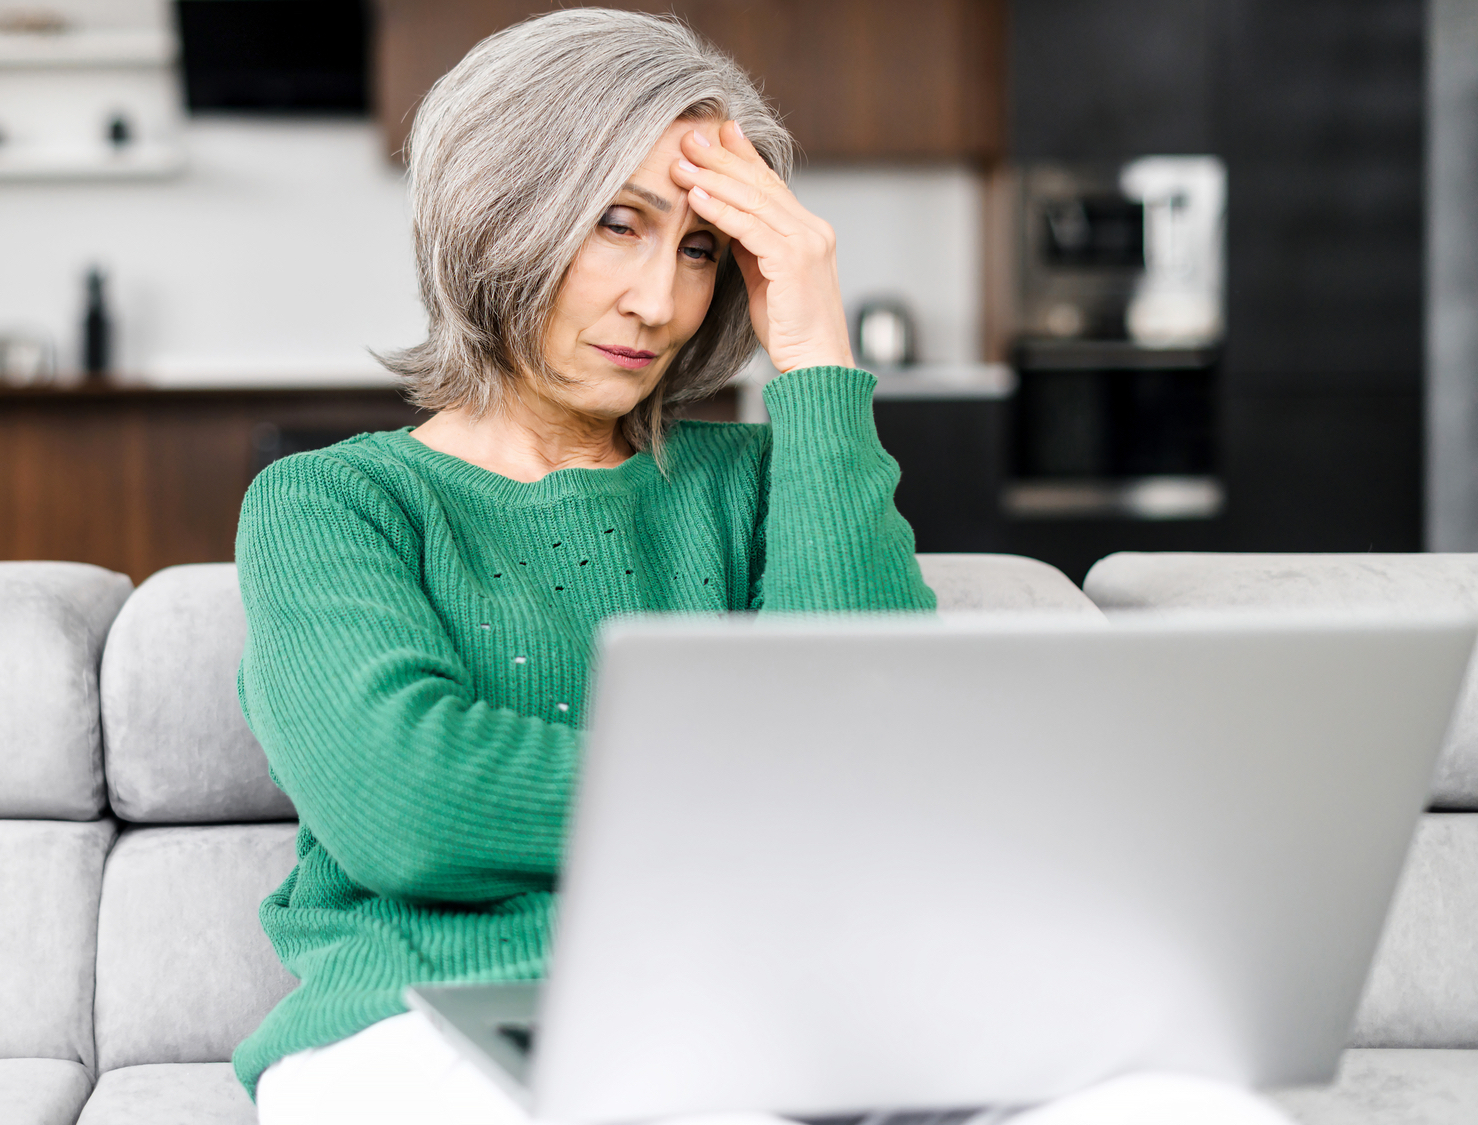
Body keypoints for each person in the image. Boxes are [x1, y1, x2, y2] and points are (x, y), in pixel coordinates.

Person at [230, 9, 1292, 1125]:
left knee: (1192, 1105)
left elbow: (870, 726)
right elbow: (408, 802)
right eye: (616, 225)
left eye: (699, 249)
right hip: (434, 1021)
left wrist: (816, 353)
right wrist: (786, 789)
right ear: (502, 215)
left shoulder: (753, 481)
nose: (660, 302)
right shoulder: (333, 503)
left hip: (779, 1007)